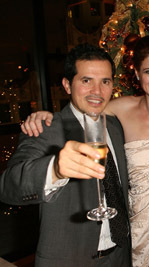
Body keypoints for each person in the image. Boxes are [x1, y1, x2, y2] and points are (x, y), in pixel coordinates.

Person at [21, 35, 149, 266]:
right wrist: (44, 115)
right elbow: (85, 106)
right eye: (148, 72)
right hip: (140, 225)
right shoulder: (120, 110)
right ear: (136, 74)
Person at [0, 44, 131, 266]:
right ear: (67, 85)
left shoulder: (116, 127)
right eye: (86, 80)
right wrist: (54, 169)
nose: (97, 91)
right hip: (69, 259)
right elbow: (8, 187)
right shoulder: (46, 127)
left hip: (120, 255)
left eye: (105, 82)